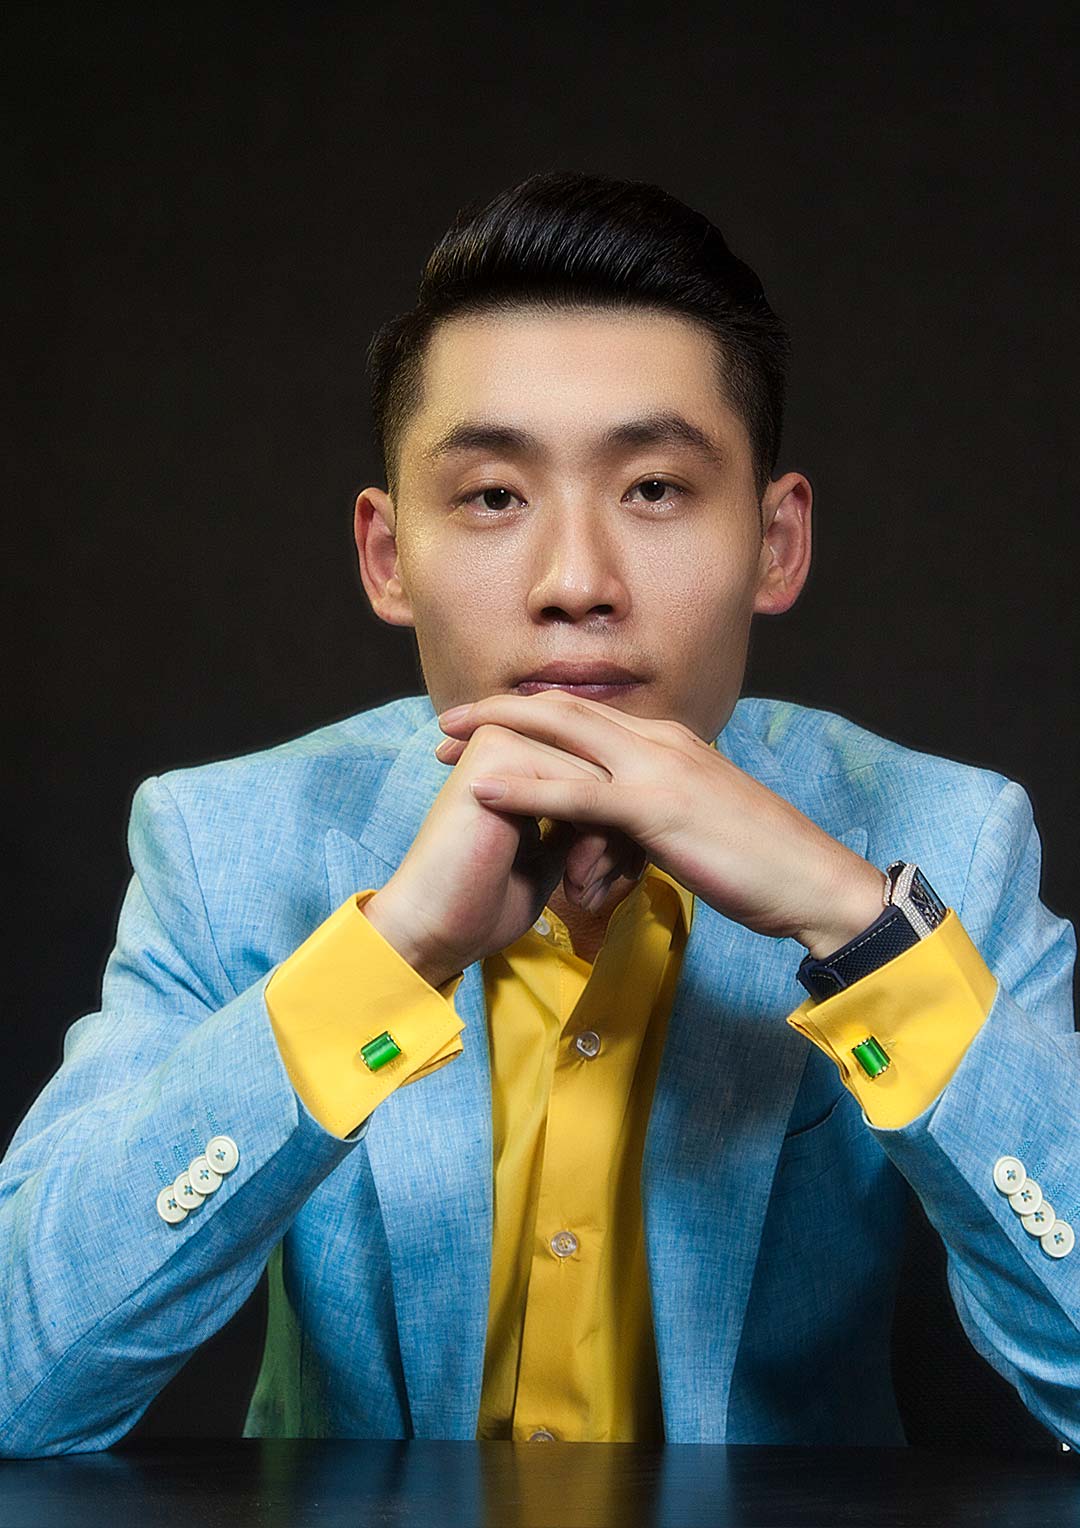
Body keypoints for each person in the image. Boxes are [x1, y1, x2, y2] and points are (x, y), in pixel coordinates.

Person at [2, 170, 1076, 1458]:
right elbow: (17, 1382)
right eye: (495, 497)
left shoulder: (946, 842)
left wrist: (859, 936)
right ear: (387, 557)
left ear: (775, 543)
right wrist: (392, 954)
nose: (576, 583)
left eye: (656, 488)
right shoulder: (228, 845)